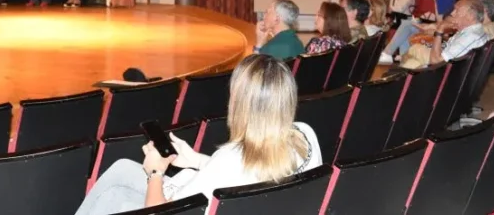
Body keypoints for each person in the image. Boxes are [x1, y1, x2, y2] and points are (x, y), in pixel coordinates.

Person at [74, 54, 322, 214]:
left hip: (181, 206)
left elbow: (159, 211)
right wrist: (194, 159)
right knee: (120, 169)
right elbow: (249, 170)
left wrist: (155, 172)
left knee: (115, 199)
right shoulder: (305, 134)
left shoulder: (230, 159)